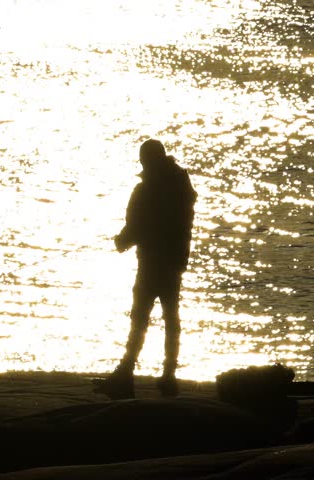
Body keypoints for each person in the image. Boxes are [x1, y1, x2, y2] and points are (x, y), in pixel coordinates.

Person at [94, 139, 196, 399]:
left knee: (140, 317)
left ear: (147, 160)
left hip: (152, 261)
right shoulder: (181, 186)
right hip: (174, 260)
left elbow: (138, 223)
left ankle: (126, 376)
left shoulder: (148, 188)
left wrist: (122, 241)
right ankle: (168, 377)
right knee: (171, 317)